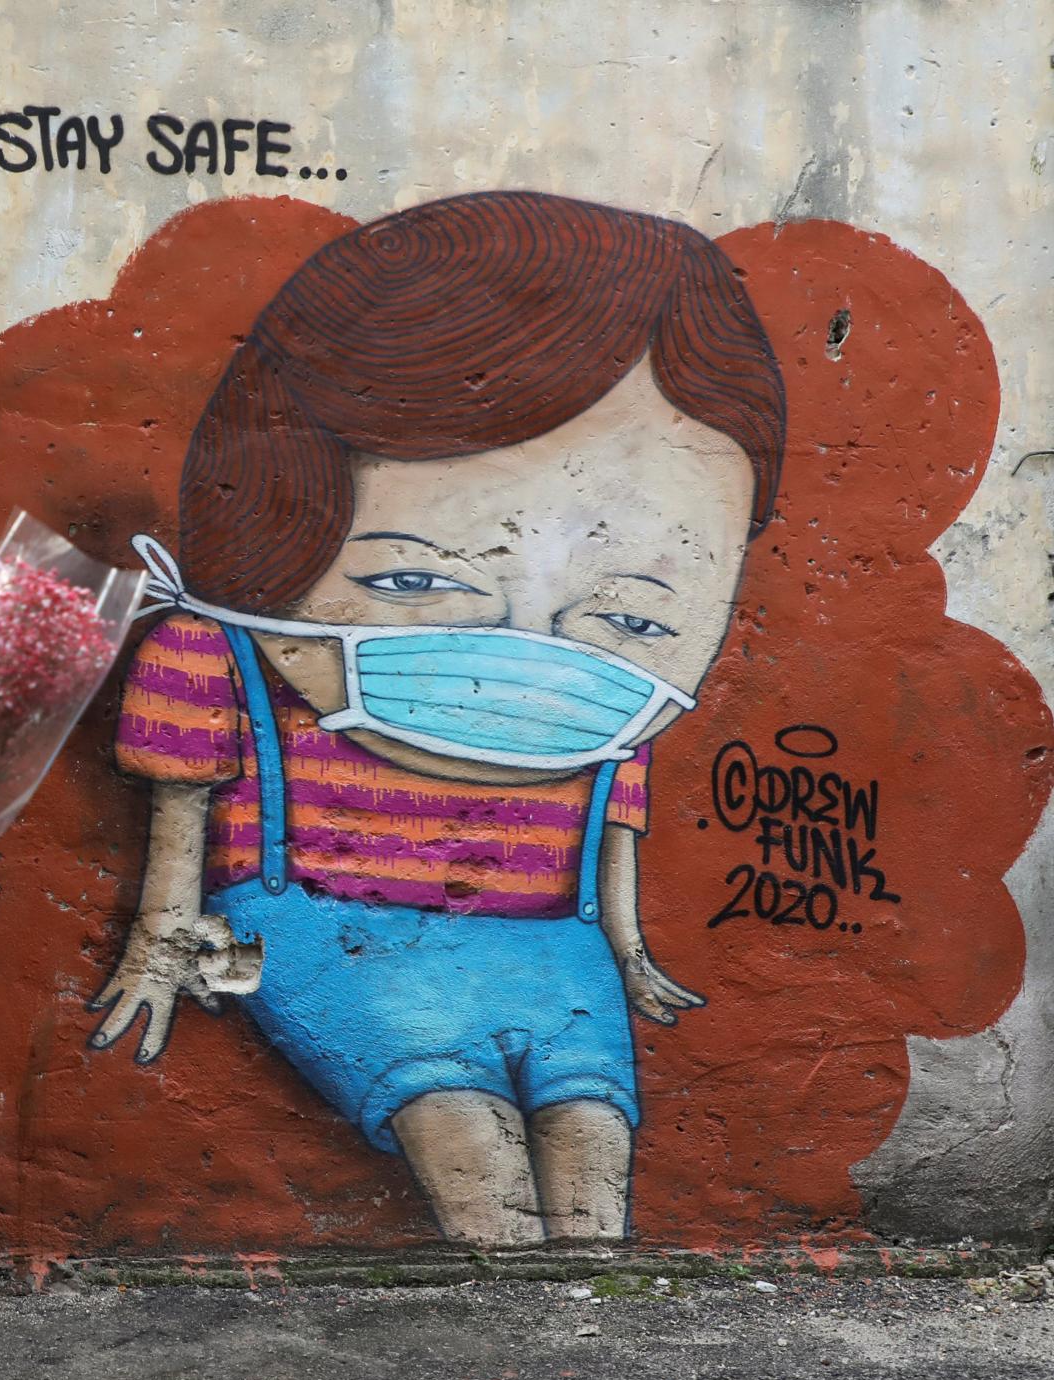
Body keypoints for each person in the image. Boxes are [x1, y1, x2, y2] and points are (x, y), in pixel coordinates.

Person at [87, 191, 786, 1246]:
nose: (524, 646)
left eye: (631, 614)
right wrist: (158, 940)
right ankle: (523, 1348)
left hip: (553, 943)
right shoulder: (210, 652)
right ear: (268, 525)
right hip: (322, 921)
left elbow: (611, 828)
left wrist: (628, 947)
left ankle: (581, 1342)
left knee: (594, 1136)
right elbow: (179, 815)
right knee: (462, 1136)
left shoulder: (609, 720)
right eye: (415, 577)